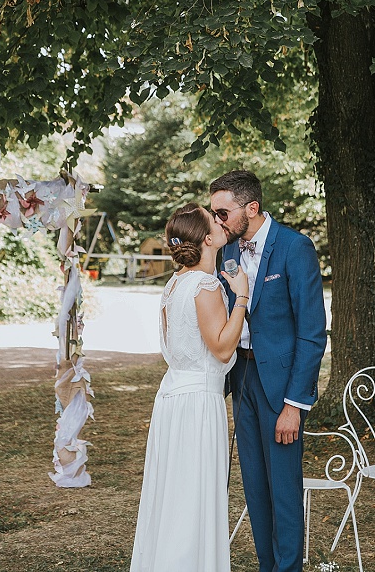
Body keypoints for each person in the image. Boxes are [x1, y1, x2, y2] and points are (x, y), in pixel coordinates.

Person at [210, 169, 326, 572]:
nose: (217, 222)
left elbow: (312, 333)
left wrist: (295, 404)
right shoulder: (226, 253)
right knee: (255, 488)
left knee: (284, 489)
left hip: (281, 387)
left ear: (252, 208)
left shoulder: (295, 248)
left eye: (222, 213)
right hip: (240, 379)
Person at [131, 203, 251, 572]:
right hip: (198, 402)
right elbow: (221, 346)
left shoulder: (174, 284)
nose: (220, 221)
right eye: (213, 219)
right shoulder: (205, 284)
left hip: (173, 398)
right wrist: (242, 297)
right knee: (192, 496)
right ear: (208, 239)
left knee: (173, 493)